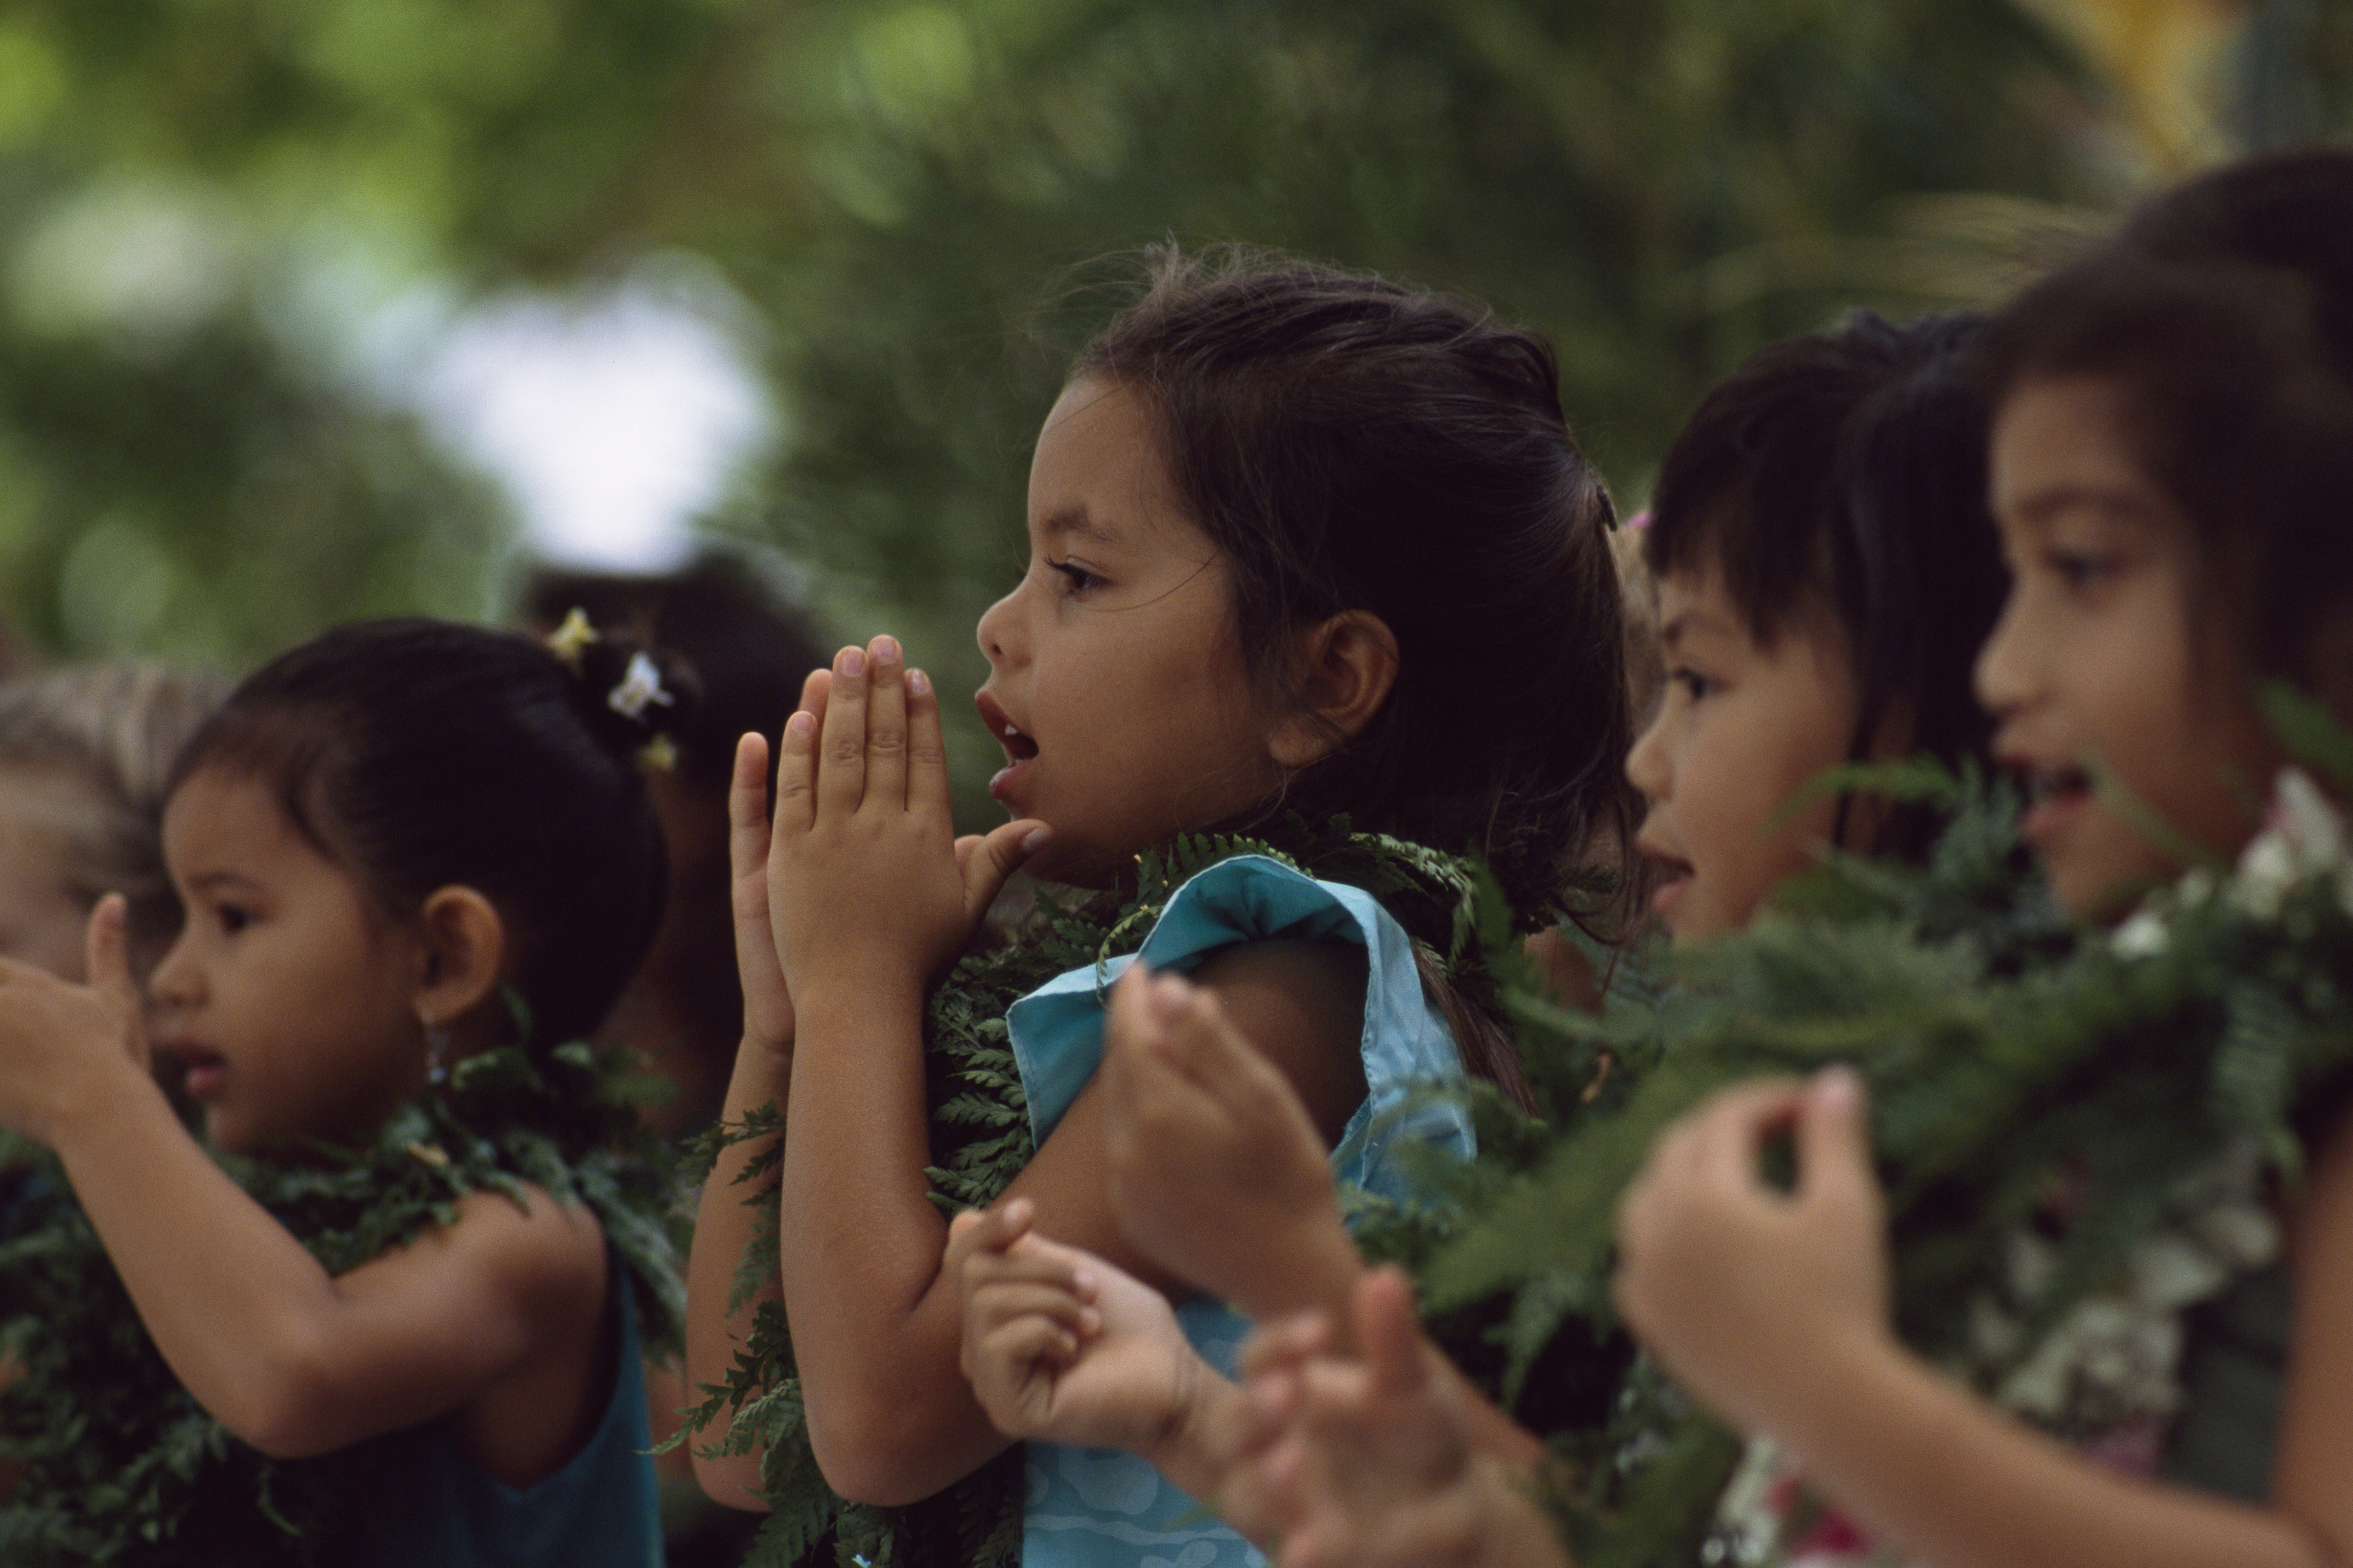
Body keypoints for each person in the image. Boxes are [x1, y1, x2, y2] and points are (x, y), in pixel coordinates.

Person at [1245, 149, 2353, 1568]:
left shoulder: (2297, 1045)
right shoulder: (2097, 1047)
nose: (2012, 669)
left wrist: (1820, 1383)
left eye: (2082, 569)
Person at [685, 248, 1641, 1568]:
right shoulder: (1216, 980)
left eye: (1078, 576)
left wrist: (855, 977)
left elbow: (881, 1421)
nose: (1000, 625)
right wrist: (792, 1023)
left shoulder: (1288, 991)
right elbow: (742, 1447)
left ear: (1325, 680)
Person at [1029, 308, 2020, 1567]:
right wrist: (1188, 1413)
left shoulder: (2055, 1107)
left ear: (1928, 700)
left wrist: (1296, 1272)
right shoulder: (1737, 1100)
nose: (1652, 759)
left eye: (1703, 681)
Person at [0, 618, 689, 1565]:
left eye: (233, 915)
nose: (172, 977)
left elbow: (293, 1369)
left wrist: (95, 1101)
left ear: (443, 958)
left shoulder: (534, 1237)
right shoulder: (265, 1218)